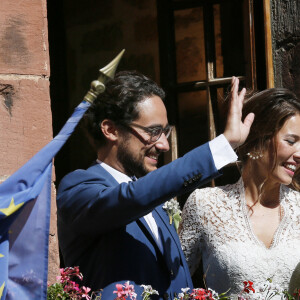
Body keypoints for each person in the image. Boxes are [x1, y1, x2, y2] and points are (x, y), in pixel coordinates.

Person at [56, 71, 253, 299]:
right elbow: (132, 197)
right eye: (153, 132)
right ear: (110, 130)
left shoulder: (156, 198)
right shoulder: (78, 188)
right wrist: (222, 146)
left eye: (165, 131)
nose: (164, 145)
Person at [179, 84, 300, 296]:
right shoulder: (205, 205)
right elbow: (175, 287)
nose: (299, 153)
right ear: (257, 140)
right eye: (291, 141)